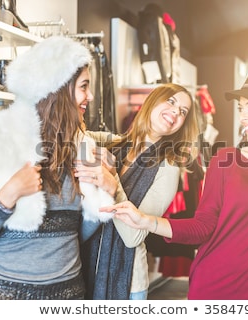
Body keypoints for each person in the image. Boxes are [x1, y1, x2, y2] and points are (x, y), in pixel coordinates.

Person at [101, 64, 248, 300]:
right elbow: (203, 226)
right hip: (219, 288)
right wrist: (145, 221)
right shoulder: (226, 160)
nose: (243, 116)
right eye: (242, 107)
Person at [0, 36, 123, 300]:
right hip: (4, 297)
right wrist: (6, 196)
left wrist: (106, 191)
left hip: (68, 295)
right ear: (57, 89)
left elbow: (77, 236)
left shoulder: (84, 150)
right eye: (84, 87)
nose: (90, 96)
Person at [81, 83, 200, 300]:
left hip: (127, 282)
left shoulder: (169, 167)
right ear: (152, 101)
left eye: (182, 111)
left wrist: (113, 182)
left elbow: (133, 236)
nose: (175, 112)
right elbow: (75, 136)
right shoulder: (118, 144)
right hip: (88, 266)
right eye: (171, 102)